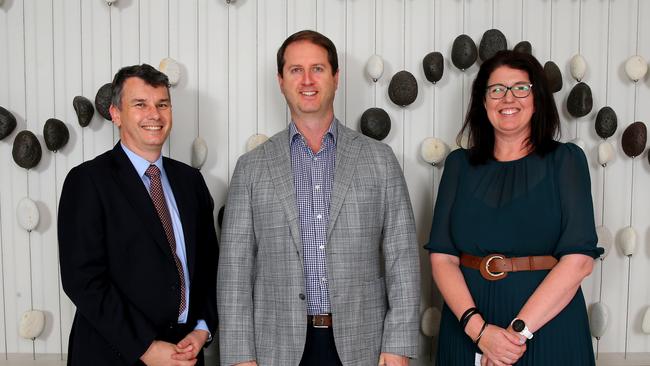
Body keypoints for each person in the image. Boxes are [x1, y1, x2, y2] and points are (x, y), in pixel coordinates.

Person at [217, 30, 420, 366]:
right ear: (281, 80)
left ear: (336, 78)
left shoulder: (379, 160)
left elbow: (403, 258)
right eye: (296, 70)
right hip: (276, 348)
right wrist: (240, 356)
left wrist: (398, 343)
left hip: (364, 345)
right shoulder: (251, 168)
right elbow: (235, 272)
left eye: (318, 69)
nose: (307, 80)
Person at [426, 50, 603, 366]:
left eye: (521, 87)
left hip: (547, 331)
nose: (508, 98)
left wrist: (514, 337)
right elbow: (442, 258)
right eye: (496, 90)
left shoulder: (566, 161)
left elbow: (579, 262)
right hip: (466, 330)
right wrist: (480, 333)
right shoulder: (457, 166)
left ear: (537, 99)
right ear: (483, 101)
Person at [58, 64, 218, 366]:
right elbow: (83, 279)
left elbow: (210, 266)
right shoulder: (88, 181)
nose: (154, 114)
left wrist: (202, 329)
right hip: (114, 354)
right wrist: (145, 347)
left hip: (186, 353)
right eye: (140, 104)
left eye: (162, 104)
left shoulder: (190, 181)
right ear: (116, 113)